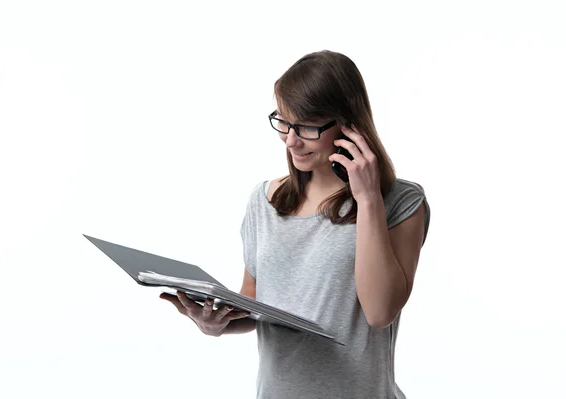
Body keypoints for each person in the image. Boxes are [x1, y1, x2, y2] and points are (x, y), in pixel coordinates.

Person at [160, 50, 431, 399]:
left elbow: (380, 312)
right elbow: (255, 302)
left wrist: (367, 200)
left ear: (348, 124)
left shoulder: (399, 202)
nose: (291, 140)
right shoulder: (264, 201)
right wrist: (216, 323)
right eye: (284, 122)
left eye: (306, 126)